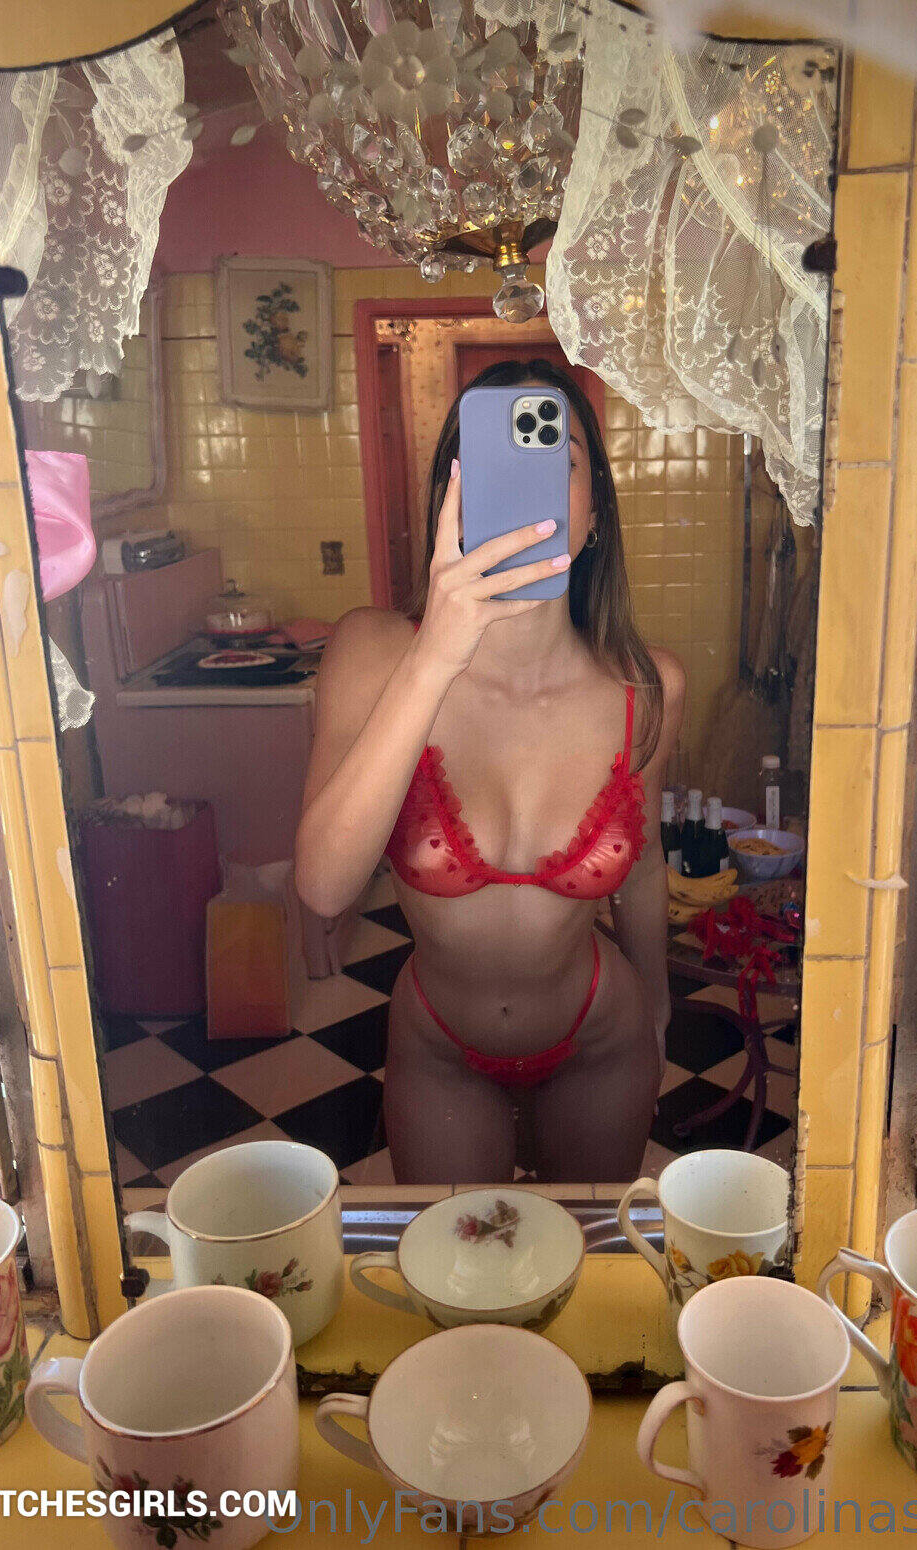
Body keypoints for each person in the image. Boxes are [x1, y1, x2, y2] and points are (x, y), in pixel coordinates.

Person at [295, 359, 685, 1182]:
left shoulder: (646, 687)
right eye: (489, 463)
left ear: (594, 514)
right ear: (451, 499)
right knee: (452, 1257)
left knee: (584, 1254)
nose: (524, 488)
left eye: (558, 460)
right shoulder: (372, 651)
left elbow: (644, 864)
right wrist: (434, 656)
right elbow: (324, 888)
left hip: (601, 1036)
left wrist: (655, 1005)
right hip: (439, 1046)